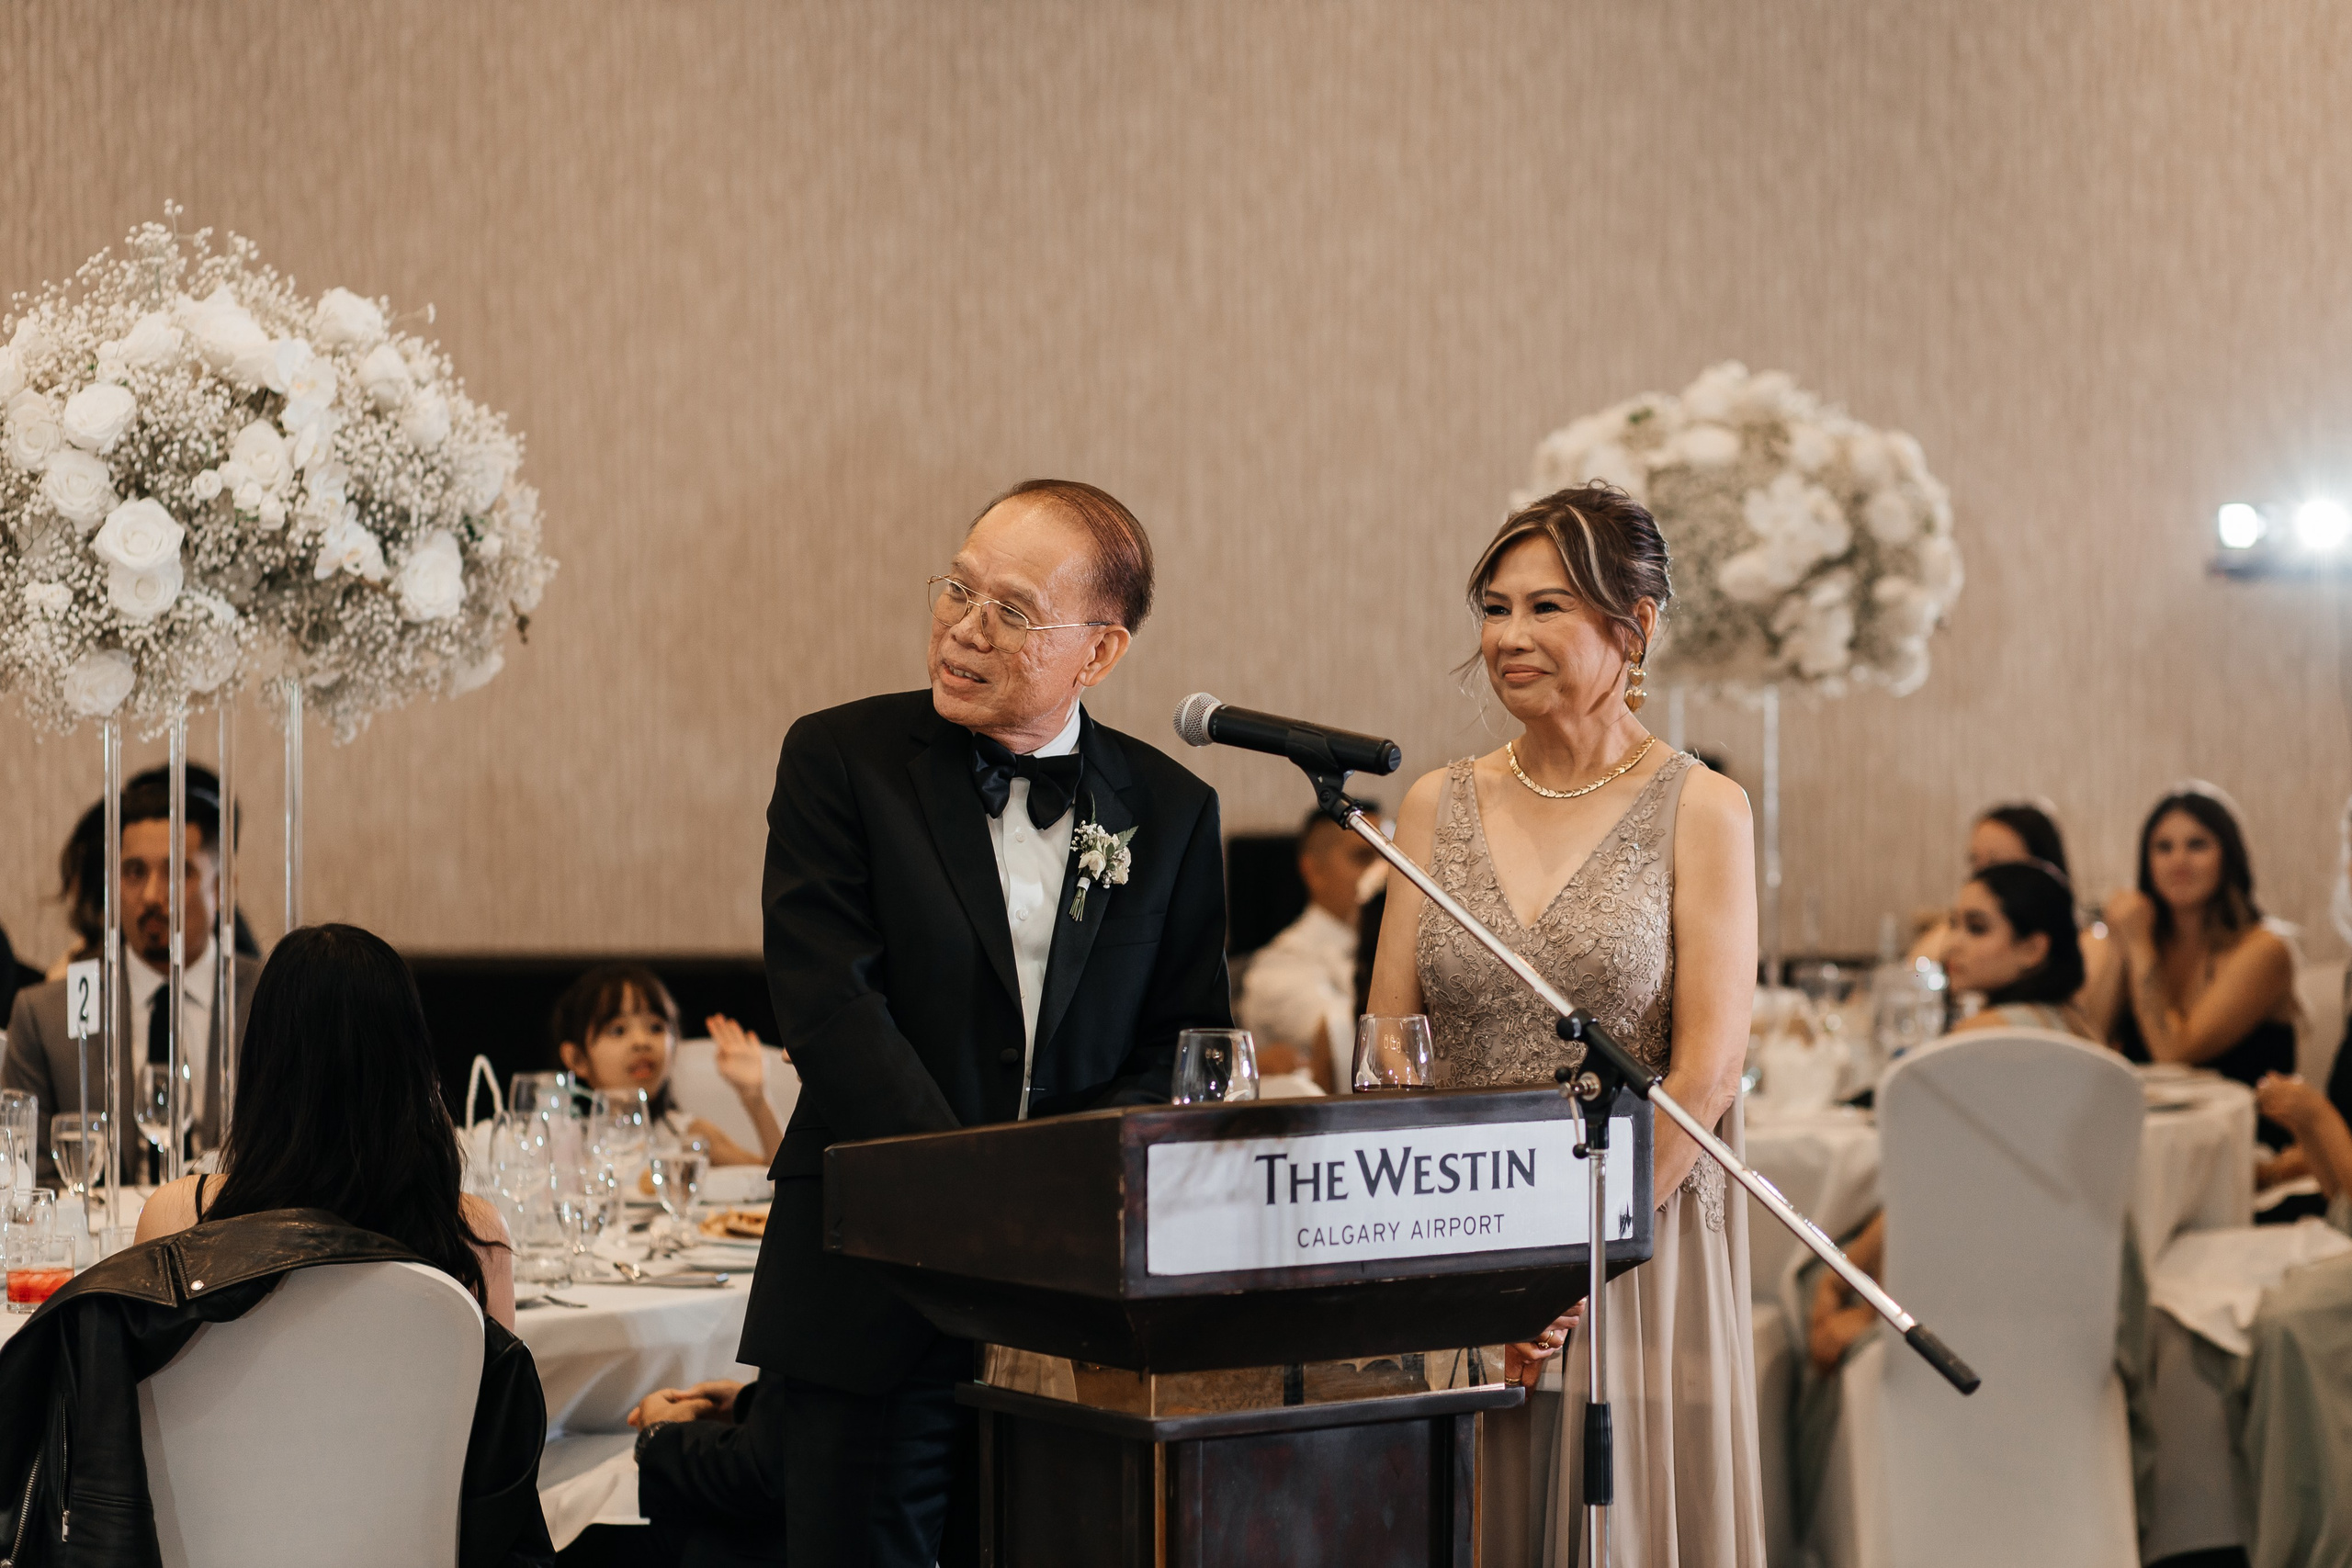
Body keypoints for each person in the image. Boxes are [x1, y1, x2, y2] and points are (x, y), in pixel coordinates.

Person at [741, 479, 1233, 1568]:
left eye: (1010, 610)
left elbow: (1185, 1050)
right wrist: (975, 1203)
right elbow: (830, 1006)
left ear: (1098, 655)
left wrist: (1048, 1202)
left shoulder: (1171, 810)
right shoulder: (839, 761)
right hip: (869, 1282)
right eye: (957, 589)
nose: (963, 629)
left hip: (1076, 1303)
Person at [1364, 482, 1764, 1564]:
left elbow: (1709, 1069)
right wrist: (1454, 1262)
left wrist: (1573, 1260)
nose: (1507, 637)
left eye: (1546, 609)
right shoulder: (1434, 804)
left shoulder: (1702, 806)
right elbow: (1387, 1052)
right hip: (1459, 1231)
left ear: (1630, 630)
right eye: (1494, 608)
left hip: (1632, 1236)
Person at [134, 922, 517, 1324]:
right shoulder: (475, 1237)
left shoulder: (177, 1221)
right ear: (412, 1068)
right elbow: (489, 1386)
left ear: (263, 1068)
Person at [1804, 860, 2093, 1373]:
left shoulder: (1976, 1041)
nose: (1952, 945)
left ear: (2034, 947)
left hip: (1975, 1293)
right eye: (1954, 924)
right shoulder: (2080, 1031)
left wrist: (1852, 1289)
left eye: (1976, 928)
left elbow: (1935, 1191)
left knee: (1805, 1279)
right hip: (2079, 1295)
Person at [4, 770, 262, 1181]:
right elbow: (23, 1177)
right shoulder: (46, 1017)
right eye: (134, 872)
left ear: (224, 889)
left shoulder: (273, 999)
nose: (152, 896)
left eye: (178, 872)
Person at [2085, 785, 2299, 1135]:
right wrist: (2119, 945)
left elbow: (2173, 1054)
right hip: (2148, 1141)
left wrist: (2138, 944)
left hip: (2246, 1150)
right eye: (2163, 847)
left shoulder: (2265, 950)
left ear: (2228, 857)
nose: (2178, 861)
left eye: (2197, 845)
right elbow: (2090, 1045)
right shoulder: (2141, 938)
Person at [550, 963, 782, 1166]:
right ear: (577, 1059)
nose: (641, 1042)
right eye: (618, 1030)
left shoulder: (688, 1136)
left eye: (656, 1027)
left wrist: (755, 1097)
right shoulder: (562, 1141)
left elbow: (775, 1175)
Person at [1237, 808, 1381, 1091]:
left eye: (1389, 859)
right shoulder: (1280, 965)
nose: (1383, 873)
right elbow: (1348, 1043)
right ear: (1313, 871)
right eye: (1364, 858)